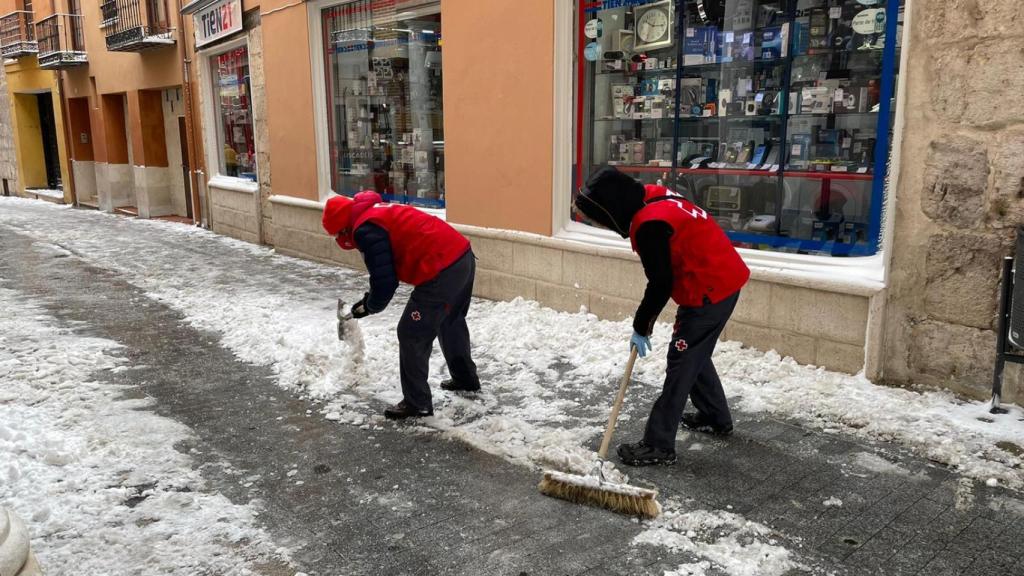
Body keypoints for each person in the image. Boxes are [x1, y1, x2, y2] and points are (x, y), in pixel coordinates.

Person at [574, 167, 749, 466]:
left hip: (708, 291)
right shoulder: (652, 195)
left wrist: (642, 326)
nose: (598, 225)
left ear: (610, 210)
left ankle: (659, 444)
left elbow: (660, 283)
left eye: (596, 219)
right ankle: (714, 416)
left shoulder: (649, 224)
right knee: (694, 352)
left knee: (681, 361)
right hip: (723, 278)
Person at [322, 191, 480, 419]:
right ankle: (465, 380)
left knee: (410, 332)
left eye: (337, 233)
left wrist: (369, 306)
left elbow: (385, 282)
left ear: (343, 228)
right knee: (450, 321)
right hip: (461, 257)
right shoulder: (375, 212)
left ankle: (417, 403)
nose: (338, 238)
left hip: (441, 269)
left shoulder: (366, 229)